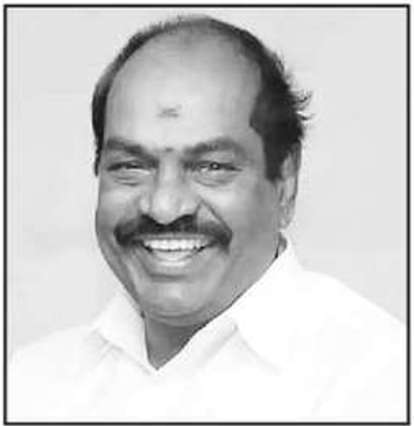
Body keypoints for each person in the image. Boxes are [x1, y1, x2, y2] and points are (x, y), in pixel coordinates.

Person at [9, 15, 405, 422]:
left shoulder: (378, 384)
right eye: (131, 166)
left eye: (212, 167)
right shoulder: (29, 387)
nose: (164, 207)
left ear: (286, 183)